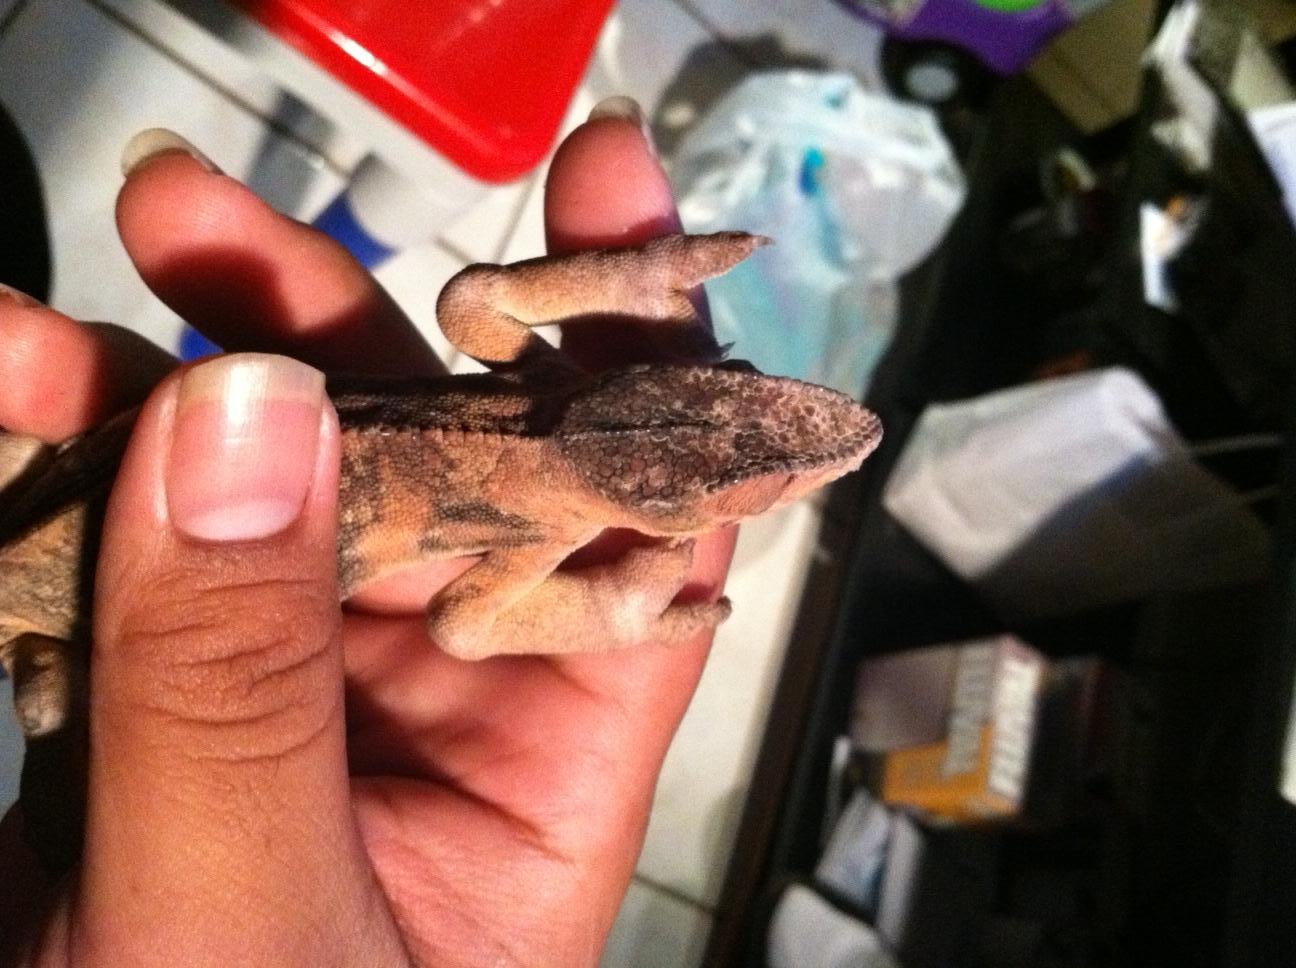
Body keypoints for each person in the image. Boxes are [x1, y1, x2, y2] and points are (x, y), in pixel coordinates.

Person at [0, 99, 736, 966]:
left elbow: (475, 308)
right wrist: (631, 280)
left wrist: (613, 609)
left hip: (82, 543)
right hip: (63, 562)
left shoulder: (541, 467)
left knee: (56, 704)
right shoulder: (542, 503)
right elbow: (466, 622)